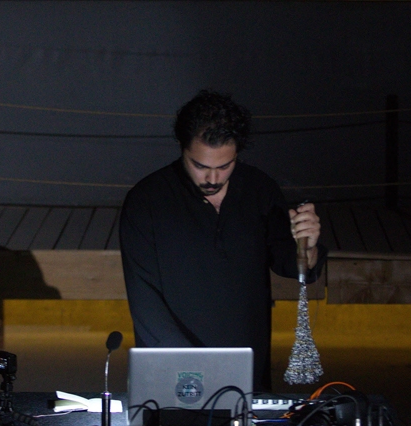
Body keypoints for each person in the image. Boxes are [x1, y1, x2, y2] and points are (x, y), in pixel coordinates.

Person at [119, 90, 325, 391]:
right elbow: (145, 301)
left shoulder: (259, 189)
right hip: (174, 368)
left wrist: (308, 245)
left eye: (225, 166)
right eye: (200, 166)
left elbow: (290, 263)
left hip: (246, 359)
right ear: (182, 148)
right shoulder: (147, 200)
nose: (212, 179)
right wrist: (192, 370)